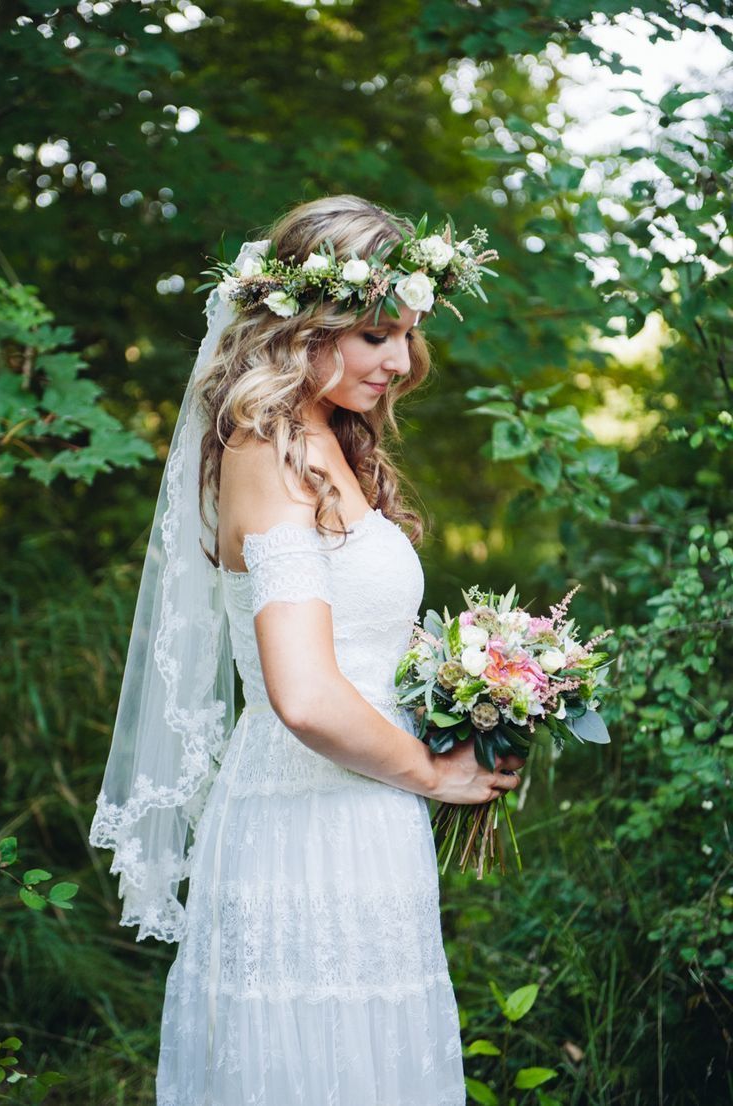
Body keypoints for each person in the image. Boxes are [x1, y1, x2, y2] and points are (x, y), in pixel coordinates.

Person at [89, 193, 524, 1106]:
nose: (400, 361)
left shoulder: (329, 437)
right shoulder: (266, 449)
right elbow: (303, 693)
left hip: (362, 814)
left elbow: (356, 646)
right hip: (305, 823)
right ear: (301, 326)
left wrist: (483, 689)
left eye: (406, 334)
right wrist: (431, 772)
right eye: (375, 335)